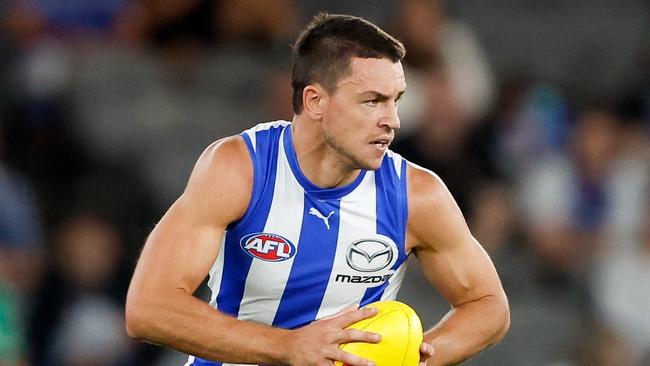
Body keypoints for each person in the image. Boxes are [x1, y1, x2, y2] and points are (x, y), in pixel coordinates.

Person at [125, 13, 509, 366]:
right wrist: (287, 347)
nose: (392, 120)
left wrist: (416, 358)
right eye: (372, 101)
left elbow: (488, 306)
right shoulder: (240, 169)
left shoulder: (416, 194)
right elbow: (149, 308)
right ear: (315, 101)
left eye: (396, 100)